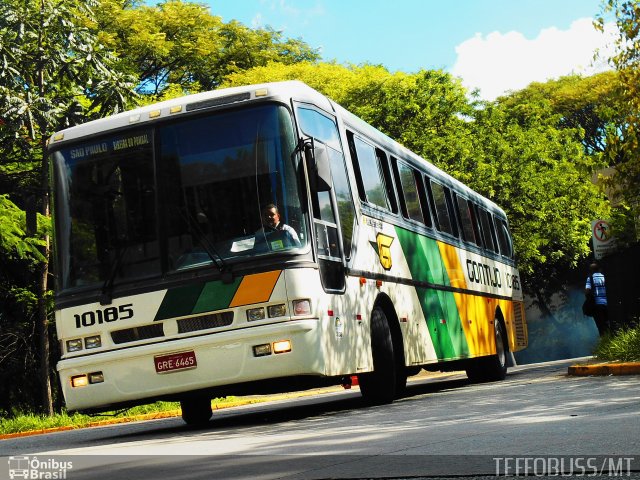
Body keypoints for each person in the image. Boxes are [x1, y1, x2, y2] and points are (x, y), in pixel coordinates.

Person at [585, 262, 609, 336]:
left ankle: (605, 342)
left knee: (601, 327)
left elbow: (587, 291)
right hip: (607, 304)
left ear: (591, 271)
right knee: (608, 323)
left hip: (597, 305)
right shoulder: (605, 277)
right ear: (599, 269)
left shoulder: (590, 278)